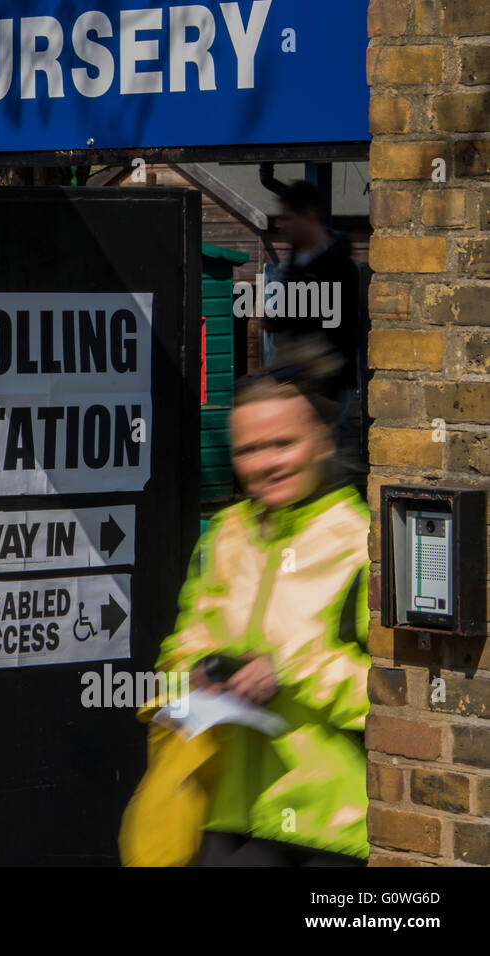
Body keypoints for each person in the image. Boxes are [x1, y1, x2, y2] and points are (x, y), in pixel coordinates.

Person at [154, 357, 370, 866]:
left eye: (282, 444)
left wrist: (293, 669)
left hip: (329, 828)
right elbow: (182, 644)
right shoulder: (228, 533)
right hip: (227, 814)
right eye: (248, 449)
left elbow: (392, 697)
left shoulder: (361, 542)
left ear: (323, 440)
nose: (264, 464)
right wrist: (196, 675)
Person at [262, 180, 367, 464]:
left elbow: (346, 335)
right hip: (298, 380)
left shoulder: (340, 268)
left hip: (324, 387)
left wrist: (331, 394)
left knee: (317, 464)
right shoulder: (298, 260)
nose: (281, 224)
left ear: (308, 215)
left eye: (287, 217)